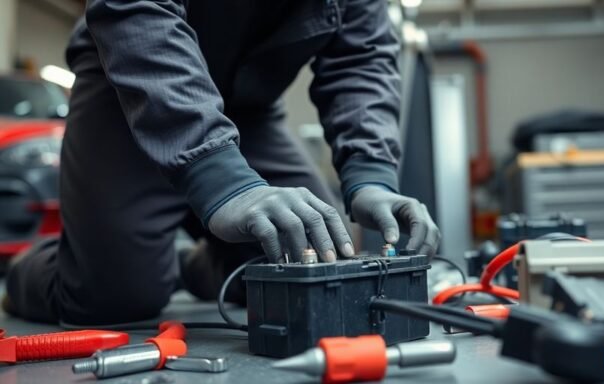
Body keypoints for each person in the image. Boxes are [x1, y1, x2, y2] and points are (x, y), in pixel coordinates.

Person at [4, 0, 439, 325]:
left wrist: (371, 174)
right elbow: (137, 9)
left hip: (249, 107)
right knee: (113, 299)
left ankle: (197, 265)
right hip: (128, 84)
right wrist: (222, 179)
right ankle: (48, 267)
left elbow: (361, 56)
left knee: (313, 263)